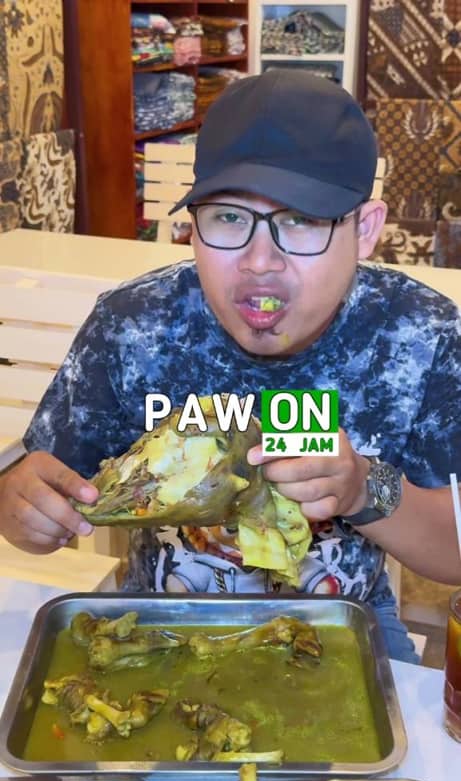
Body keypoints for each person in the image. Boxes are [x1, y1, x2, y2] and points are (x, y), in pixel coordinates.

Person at [1, 70, 460, 663]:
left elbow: (454, 555)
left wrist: (360, 487)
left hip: (344, 625)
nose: (259, 261)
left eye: (301, 220)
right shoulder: (134, 325)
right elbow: (39, 496)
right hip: (158, 623)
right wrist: (21, 509)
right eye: (228, 218)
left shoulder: (418, 337)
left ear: (365, 230)